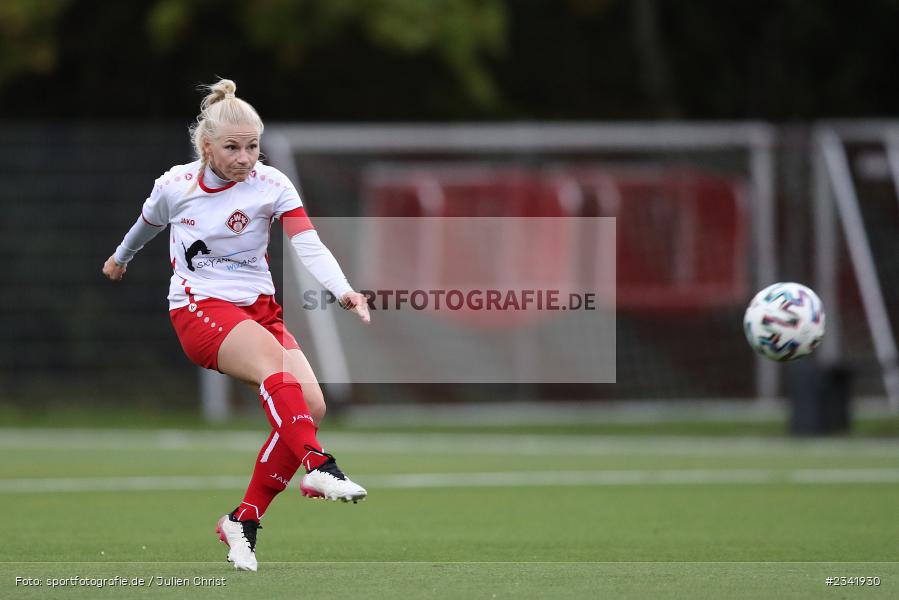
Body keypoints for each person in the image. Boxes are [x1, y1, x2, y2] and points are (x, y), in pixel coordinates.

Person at [102, 78, 370, 572]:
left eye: (252, 147)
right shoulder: (176, 186)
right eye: (232, 147)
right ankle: (319, 466)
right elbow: (145, 224)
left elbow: (306, 242)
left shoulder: (271, 184)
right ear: (206, 146)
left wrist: (343, 289)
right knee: (274, 366)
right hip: (198, 307)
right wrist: (121, 258)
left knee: (312, 404)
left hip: (259, 310)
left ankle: (242, 520)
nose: (246, 157)